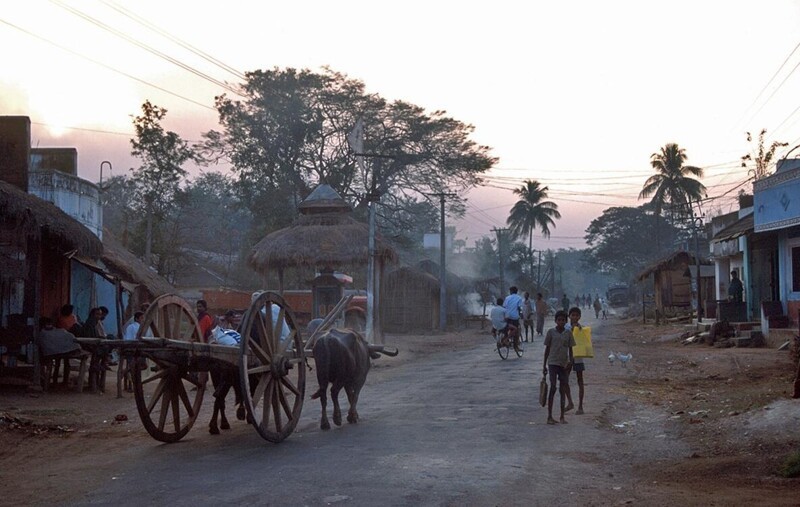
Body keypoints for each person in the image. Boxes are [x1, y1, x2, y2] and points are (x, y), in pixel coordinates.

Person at [542, 310, 575, 425]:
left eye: (563, 320)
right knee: (553, 387)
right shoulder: (551, 332)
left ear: (566, 321)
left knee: (563, 388)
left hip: (564, 364)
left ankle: (562, 416)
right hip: (552, 363)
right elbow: (547, 350)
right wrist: (544, 365)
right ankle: (549, 416)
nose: (561, 322)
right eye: (559, 320)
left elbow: (571, 349)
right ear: (556, 321)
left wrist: (571, 362)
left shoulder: (568, 333)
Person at [564, 306, 585, 415]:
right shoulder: (566, 327)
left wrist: (578, 329)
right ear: (569, 316)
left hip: (578, 356)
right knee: (564, 380)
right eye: (573, 315)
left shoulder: (581, 328)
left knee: (580, 380)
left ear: (579, 317)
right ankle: (570, 402)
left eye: (577, 315)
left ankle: (580, 406)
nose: (575, 317)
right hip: (567, 356)